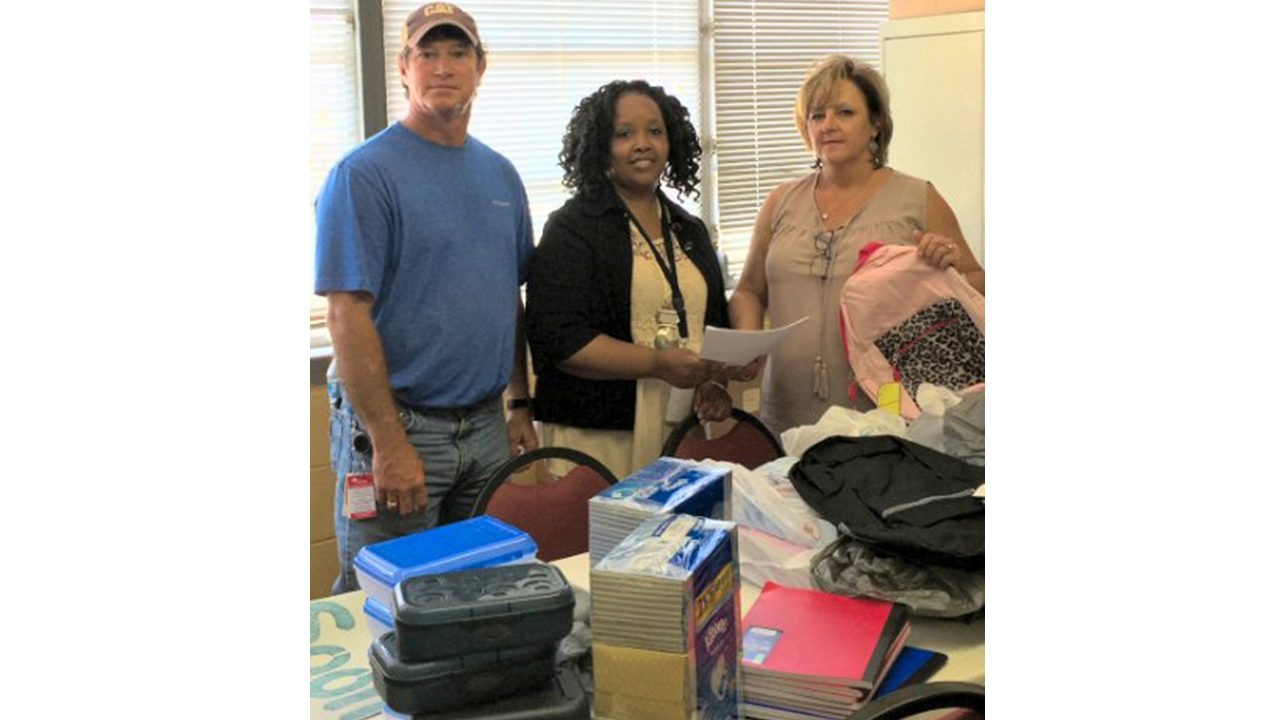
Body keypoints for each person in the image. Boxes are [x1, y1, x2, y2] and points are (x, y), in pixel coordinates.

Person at [314, 3, 538, 594]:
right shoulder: (364, 174)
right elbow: (346, 315)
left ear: (480, 66)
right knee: (388, 606)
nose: (443, 67)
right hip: (402, 428)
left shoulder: (501, 177)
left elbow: (505, 297)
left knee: (477, 594)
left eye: (458, 52)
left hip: (486, 428)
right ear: (403, 67)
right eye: (428, 53)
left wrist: (519, 403)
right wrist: (389, 443)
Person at [729, 54, 986, 435]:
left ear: (876, 122)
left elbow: (976, 285)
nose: (828, 125)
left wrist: (944, 265)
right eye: (817, 116)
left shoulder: (917, 197)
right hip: (787, 408)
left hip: (883, 411)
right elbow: (749, 291)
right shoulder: (780, 202)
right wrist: (747, 343)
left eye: (844, 112)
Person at [525, 80, 736, 480]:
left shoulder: (688, 229)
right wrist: (657, 364)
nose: (643, 144)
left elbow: (711, 324)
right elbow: (559, 339)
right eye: (625, 134)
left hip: (680, 429)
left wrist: (713, 381)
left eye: (655, 131)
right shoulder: (572, 229)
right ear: (601, 145)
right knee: (606, 542)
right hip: (599, 431)